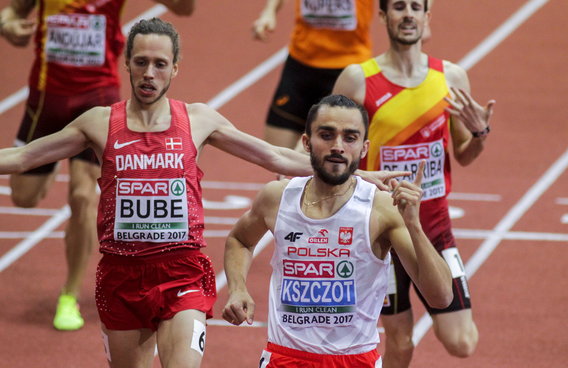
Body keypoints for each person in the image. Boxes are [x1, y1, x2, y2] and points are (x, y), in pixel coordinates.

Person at [0, 18, 405, 368]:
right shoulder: (99, 123)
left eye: (160, 64)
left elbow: (276, 157)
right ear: (127, 65)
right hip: (121, 276)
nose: (149, 74)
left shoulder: (196, 120)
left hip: (182, 273)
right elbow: (22, 159)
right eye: (140, 63)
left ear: (175, 68)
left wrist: (365, 175)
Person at [0, 0, 195, 331]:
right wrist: (8, 26)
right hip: (47, 98)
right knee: (24, 196)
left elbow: (184, 9)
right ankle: (51, 162)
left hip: (97, 97)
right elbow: (12, 13)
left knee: (82, 196)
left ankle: (68, 294)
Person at [222, 94, 453, 367]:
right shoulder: (277, 197)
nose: (338, 146)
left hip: (355, 361)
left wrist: (414, 226)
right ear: (307, 143)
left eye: (350, 137)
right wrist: (237, 288)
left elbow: (441, 297)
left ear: (364, 148)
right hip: (284, 358)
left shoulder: (380, 208)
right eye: (327, 135)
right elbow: (239, 239)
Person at [332, 0, 496, 366]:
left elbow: (464, 154)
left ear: (427, 16)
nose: (408, 14)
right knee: (401, 341)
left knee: (462, 342)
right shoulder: (358, 79)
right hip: (383, 226)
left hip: (434, 225)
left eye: (415, 7)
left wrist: (480, 133)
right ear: (383, 16)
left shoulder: (451, 77)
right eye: (399, 6)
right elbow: (333, 144)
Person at [252, 0, 376, 149]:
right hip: (300, 65)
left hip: (347, 72)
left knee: (334, 158)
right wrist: (269, 11)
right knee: (274, 155)